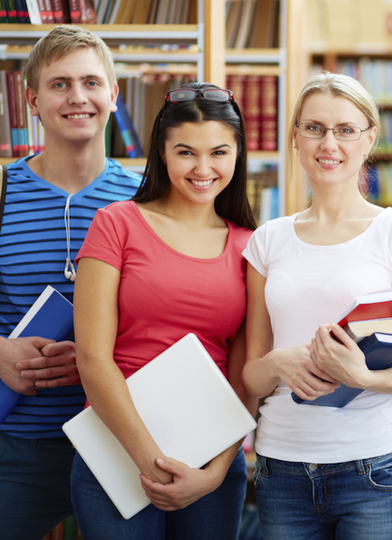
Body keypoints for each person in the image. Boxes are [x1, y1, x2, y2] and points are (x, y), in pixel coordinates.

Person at [242, 72, 392, 539]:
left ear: (368, 139)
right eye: (314, 128)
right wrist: (279, 363)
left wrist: (360, 376)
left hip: (372, 467)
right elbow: (250, 375)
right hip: (280, 467)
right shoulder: (267, 240)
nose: (329, 143)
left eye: (345, 130)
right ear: (295, 137)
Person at [71, 82, 256, 539]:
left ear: (238, 154)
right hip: (117, 450)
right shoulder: (117, 223)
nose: (203, 168)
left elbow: (245, 369)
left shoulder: (251, 246)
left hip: (213, 456)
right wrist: (151, 460)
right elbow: (92, 357)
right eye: (185, 152)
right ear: (162, 151)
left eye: (219, 152)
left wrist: (213, 473)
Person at [0, 25, 142, 540]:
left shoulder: (146, 200)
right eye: (60, 84)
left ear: (113, 96)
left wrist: (98, 357)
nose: (78, 98)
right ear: (32, 99)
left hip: (120, 442)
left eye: (92, 83)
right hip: (10, 448)